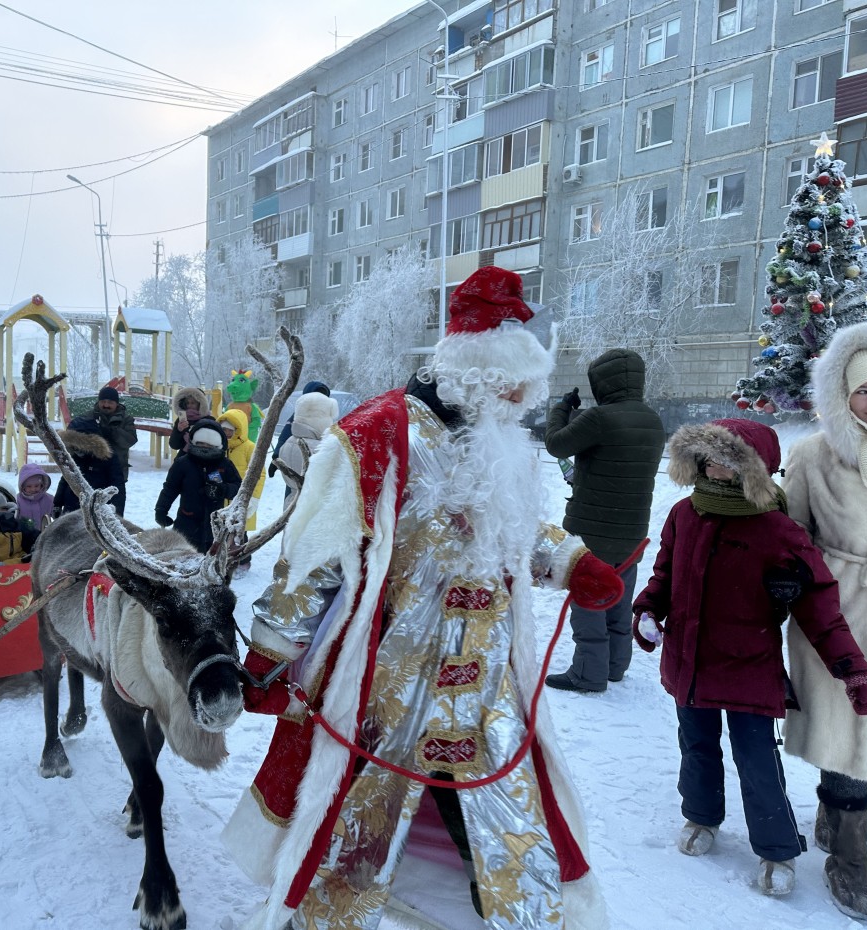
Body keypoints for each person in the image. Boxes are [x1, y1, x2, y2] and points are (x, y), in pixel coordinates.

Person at [222, 266, 624, 930]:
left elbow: (515, 526)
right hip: (393, 677)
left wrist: (567, 560)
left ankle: (511, 905)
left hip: (488, 677)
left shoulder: (500, 436)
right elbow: (315, 554)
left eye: (530, 385)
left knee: (505, 793)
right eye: (514, 384)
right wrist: (272, 651)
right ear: (476, 372)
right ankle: (325, 907)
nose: (526, 397)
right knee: (364, 799)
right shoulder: (379, 432)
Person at [631, 418, 867, 897]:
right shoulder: (684, 515)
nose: (718, 469)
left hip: (748, 668)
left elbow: (821, 609)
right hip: (689, 665)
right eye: (710, 458)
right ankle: (701, 817)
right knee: (696, 748)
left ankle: (776, 849)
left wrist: (853, 669)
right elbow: (664, 575)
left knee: (756, 759)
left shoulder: (779, 530)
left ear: (756, 469)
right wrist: (647, 609)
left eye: (731, 460)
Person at [781, 321, 867, 920]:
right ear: (842, 395)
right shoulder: (813, 455)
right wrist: (789, 581)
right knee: (846, 727)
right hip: (836, 611)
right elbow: (792, 535)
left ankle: (836, 813)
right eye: (864, 392)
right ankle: (849, 862)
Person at [543, 348, 666, 692]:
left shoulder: (599, 418)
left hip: (591, 534)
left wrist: (561, 409)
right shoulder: (653, 420)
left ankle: (588, 673)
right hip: (632, 535)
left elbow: (555, 444)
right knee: (618, 600)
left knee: (589, 600)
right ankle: (614, 666)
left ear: (602, 382)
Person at [154, 419, 241, 553]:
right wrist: (161, 509)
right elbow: (170, 488)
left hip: (215, 526)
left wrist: (222, 490)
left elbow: (239, 488)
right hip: (186, 523)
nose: (204, 448)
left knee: (212, 562)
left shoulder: (224, 464)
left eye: (209, 445)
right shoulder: (183, 463)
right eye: (201, 443)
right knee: (182, 559)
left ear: (218, 445)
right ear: (193, 441)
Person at [76, 386, 138, 512]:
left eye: (110, 402)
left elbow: (131, 440)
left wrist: (112, 432)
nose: (106, 405)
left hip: (116, 473)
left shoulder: (126, 419)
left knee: (115, 510)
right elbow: (76, 438)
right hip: (91, 471)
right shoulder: (88, 417)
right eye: (103, 401)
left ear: (116, 403)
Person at [218, 408, 264, 571]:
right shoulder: (219, 447)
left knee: (239, 532)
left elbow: (260, 473)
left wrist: (254, 497)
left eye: (230, 430)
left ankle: (243, 561)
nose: (226, 433)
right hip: (222, 496)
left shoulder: (249, 448)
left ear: (239, 430)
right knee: (221, 530)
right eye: (223, 430)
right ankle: (223, 559)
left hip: (242, 498)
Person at [52, 416, 126, 518]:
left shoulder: (107, 459)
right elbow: (65, 480)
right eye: (72, 445)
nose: (75, 449)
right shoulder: (73, 457)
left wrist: (117, 513)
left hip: (97, 512)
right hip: (70, 511)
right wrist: (57, 503)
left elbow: (118, 486)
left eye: (78, 445)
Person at [274, 391, 339, 498]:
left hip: (291, 502)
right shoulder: (320, 449)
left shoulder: (288, 443)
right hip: (313, 508)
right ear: (322, 419)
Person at [269, 381, 332, 477]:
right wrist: (276, 457)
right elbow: (285, 436)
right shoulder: (299, 415)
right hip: (297, 461)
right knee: (295, 488)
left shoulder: (327, 417)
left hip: (319, 465)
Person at [168, 386, 213, 456]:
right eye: (187, 403)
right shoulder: (182, 419)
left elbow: (215, 443)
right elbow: (174, 445)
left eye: (193, 403)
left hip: (204, 458)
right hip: (184, 458)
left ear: (200, 404)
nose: (189, 405)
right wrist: (179, 431)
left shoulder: (209, 420)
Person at [16, 462, 55, 533]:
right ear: (22, 486)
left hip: (45, 537)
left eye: (36, 486)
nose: (33, 489)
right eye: (29, 486)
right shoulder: (18, 500)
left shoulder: (49, 500)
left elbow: (55, 518)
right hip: (24, 538)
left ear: (42, 484)